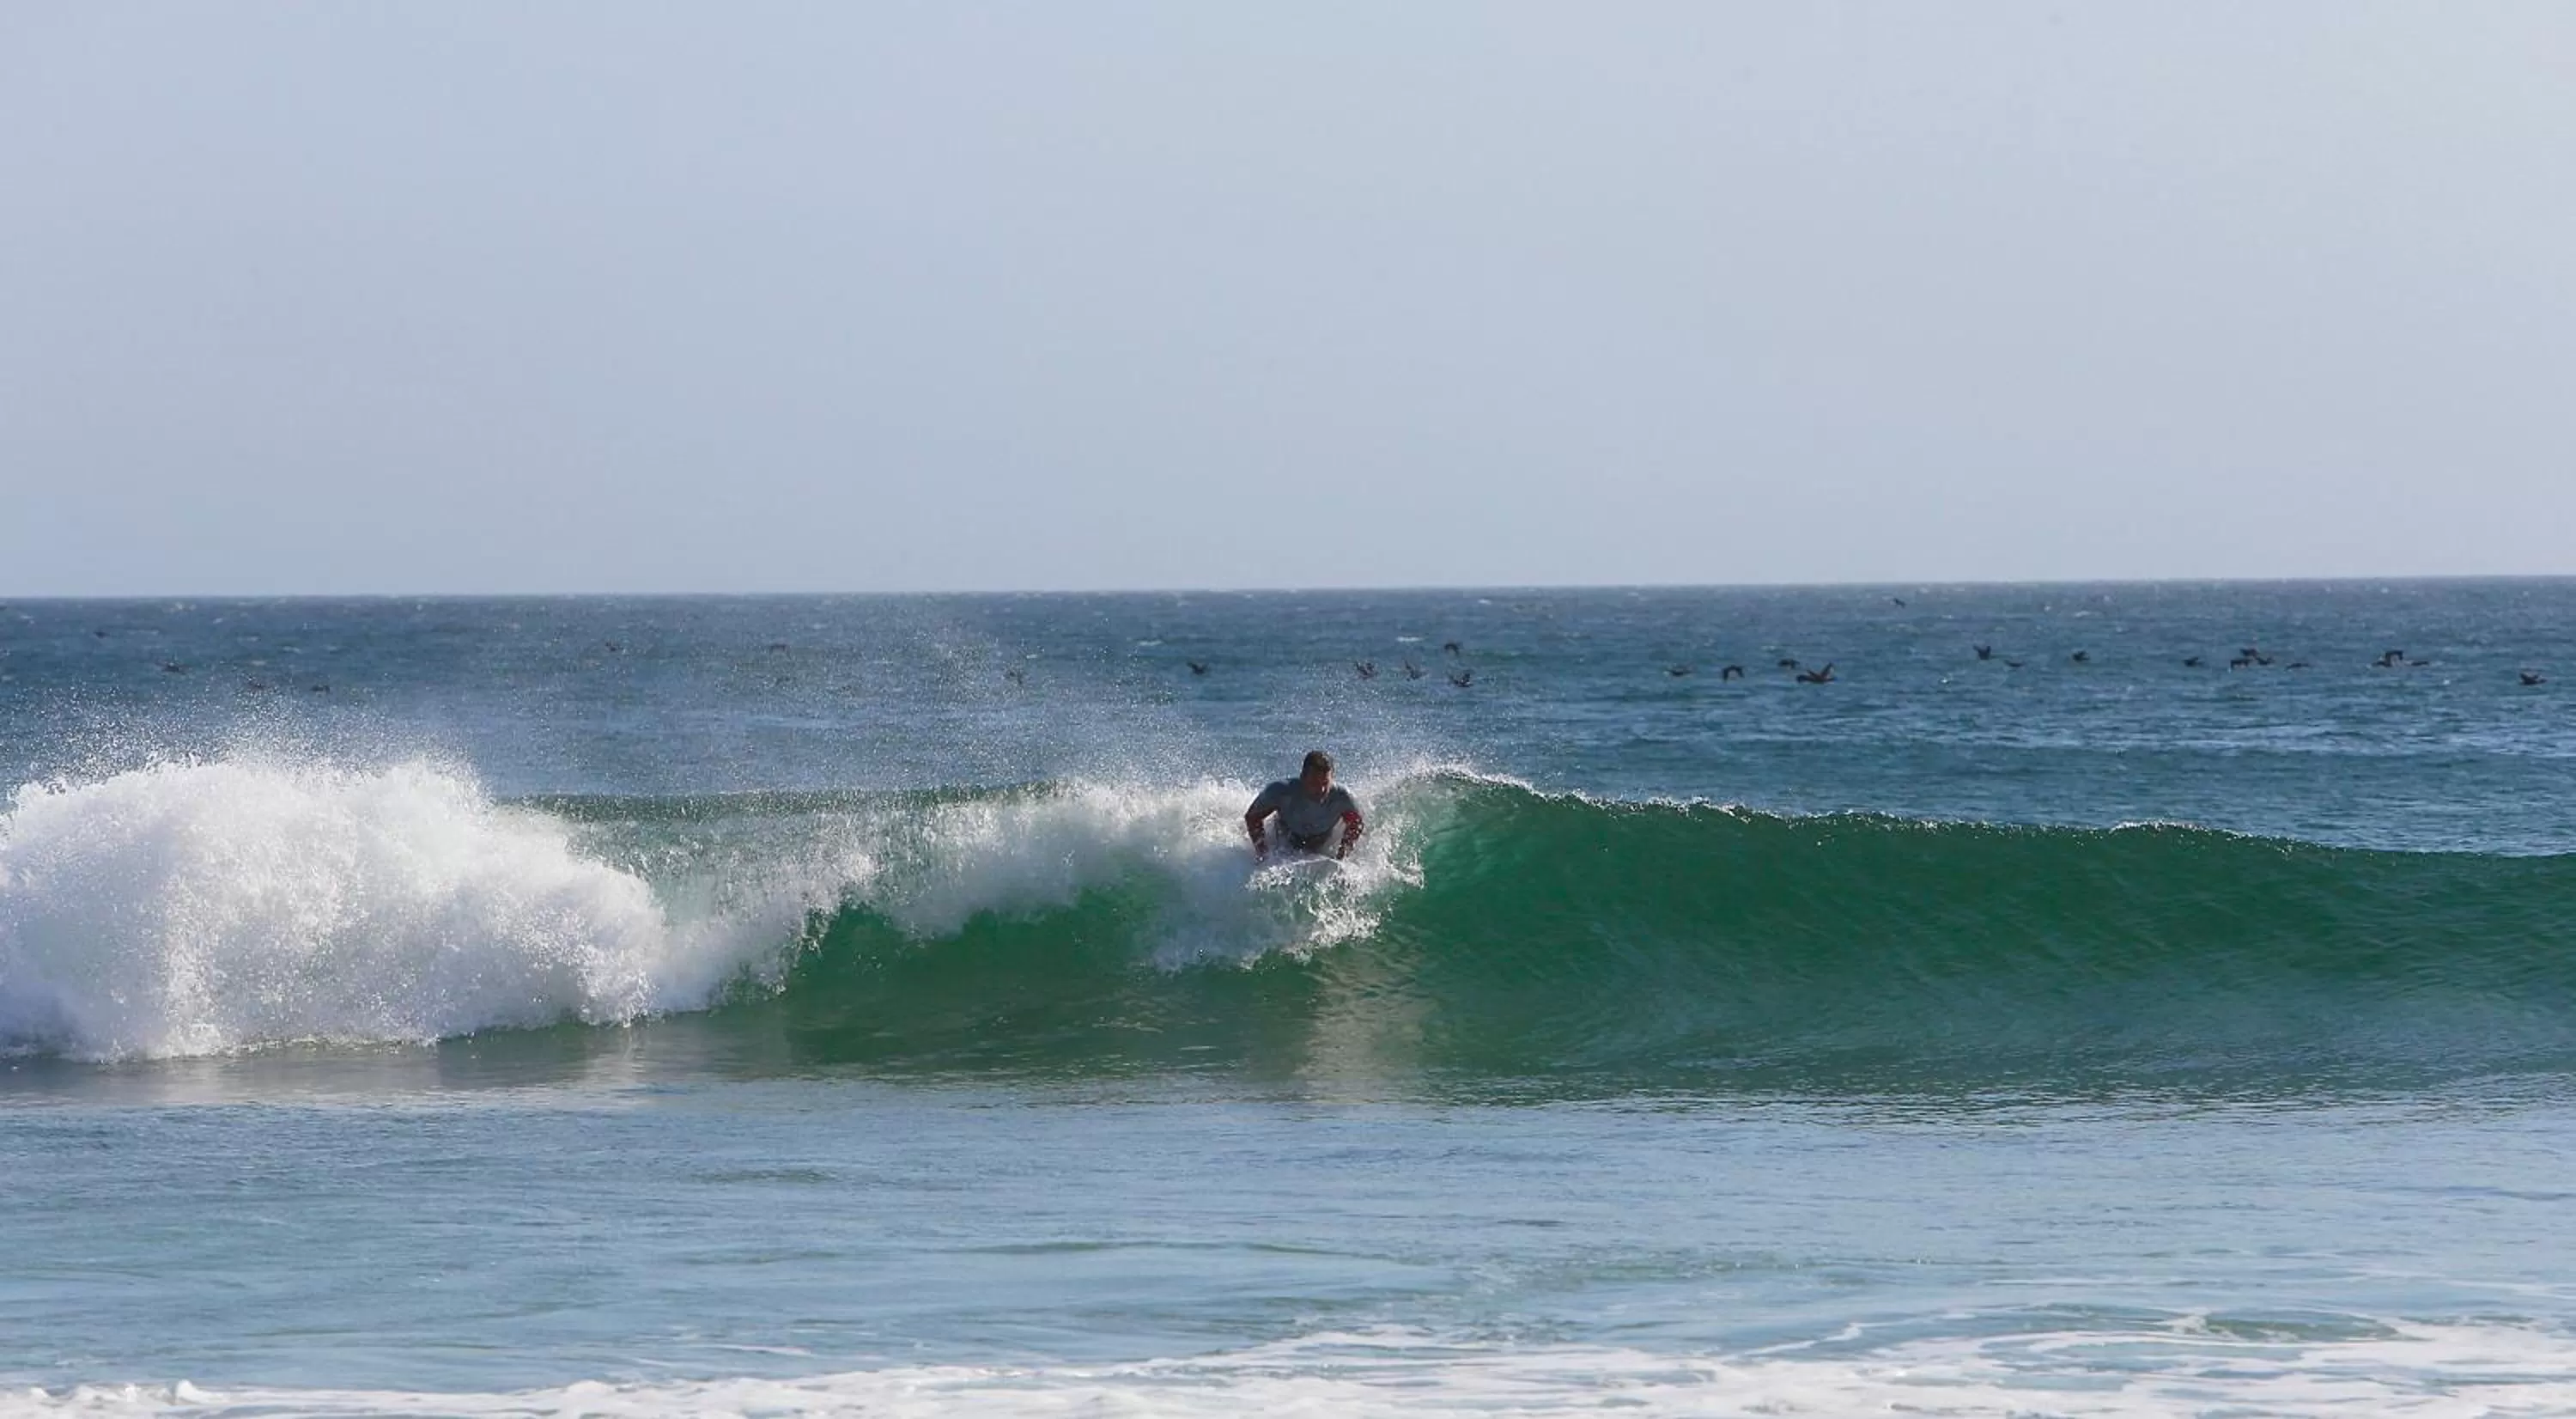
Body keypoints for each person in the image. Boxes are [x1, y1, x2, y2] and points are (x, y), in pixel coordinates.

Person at [1245, 750, 1364, 861]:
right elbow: (1252, 817)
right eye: (1314, 783)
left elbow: (1356, 824)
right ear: (1303, 777)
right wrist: (1263, 853)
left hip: (1320, 841)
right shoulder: (1280, 791)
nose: (1321, 790)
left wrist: (1342, 857)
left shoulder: (1343, 798)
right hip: (1286, 839)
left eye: (1325, 783)